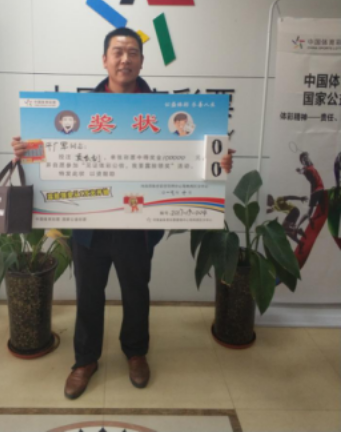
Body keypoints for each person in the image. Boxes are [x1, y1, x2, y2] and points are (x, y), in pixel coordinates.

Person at [12, 28, 235, 400]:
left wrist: (220, 161)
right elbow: (51, 153)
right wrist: (26, 152)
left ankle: (135, 352)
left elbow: (197, 156)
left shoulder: (163, 110)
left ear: (142, 61)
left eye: (133, 52)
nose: (125, 59)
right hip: (90, 225)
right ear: (104, 60)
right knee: (88, 294)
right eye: (117, 51)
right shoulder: (79, 108)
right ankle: (85, 360)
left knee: (136, 293)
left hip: (138, 225)